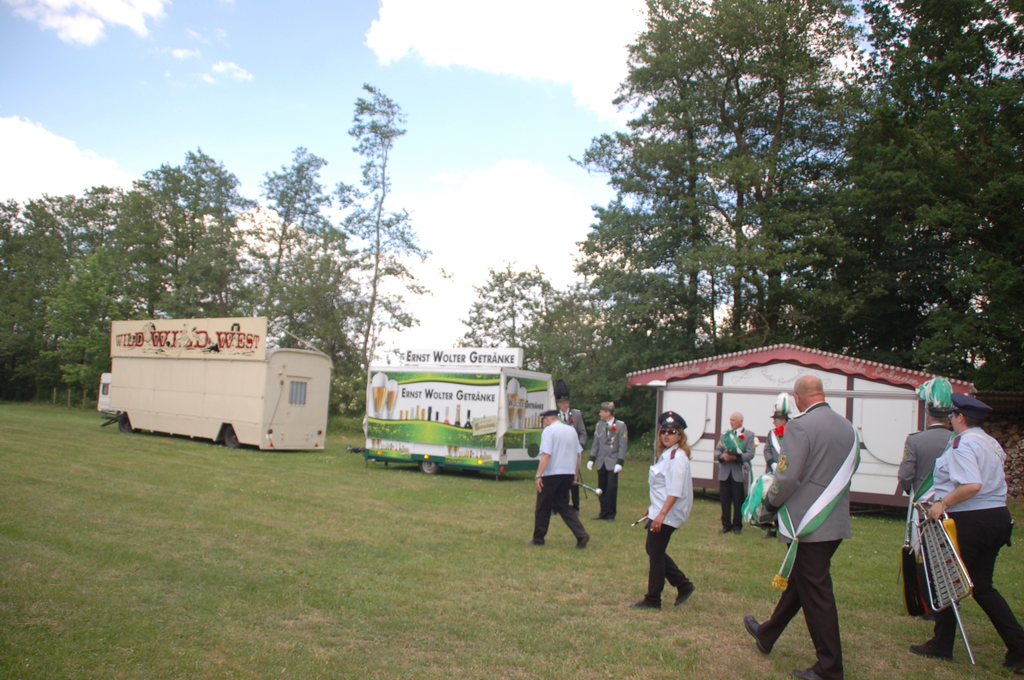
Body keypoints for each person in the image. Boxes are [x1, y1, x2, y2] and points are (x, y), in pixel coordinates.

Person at [744, 375, 859, 680]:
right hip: (833, 518)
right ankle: (767, 634)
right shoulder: (846, 426)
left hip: (807, 524)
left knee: (817, 594)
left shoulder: (800, 426)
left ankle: (829, 668)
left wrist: (768, 505)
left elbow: (787, 477)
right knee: (802, 582)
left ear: (797, 398)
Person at [909, 393, 1024, 672]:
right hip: (996, 516)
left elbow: (972, 484)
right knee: (982, 586)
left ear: (960, 417)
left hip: (972, 519)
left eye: (953, 415)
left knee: (947, 579)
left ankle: (942, 644)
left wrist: (943, 504)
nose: (951, 419)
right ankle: (1019, 648)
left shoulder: (963, 443)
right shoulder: (989, 441)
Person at [630, 411, 696, 610]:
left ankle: (653, 599)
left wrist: (661, 514)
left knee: (656, 554)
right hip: (662, 510)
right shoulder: (668, 455)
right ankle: (683, 585)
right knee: (654, 550)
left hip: (669, 513)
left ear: (680, 436)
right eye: (664, 431)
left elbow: (675, 490)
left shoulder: (677, 458)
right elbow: (662, 486)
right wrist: (653, 508)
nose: (666, 435)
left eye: (672, 431)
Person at [524, 409, 589, 549]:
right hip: (568, 472)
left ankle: (538, 538)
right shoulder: (571, 430)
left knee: (543, 506)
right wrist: (575, 473)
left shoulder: (548, 431)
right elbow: (578, 454)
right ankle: (581, 534)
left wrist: (539, 474)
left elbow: (546, 454)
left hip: (552, 473)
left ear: (548, 419)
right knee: (563, 505)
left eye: (543, 419)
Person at [715, 411, 755, 534]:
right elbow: (718, 449)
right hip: (725, 471)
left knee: (738, 500)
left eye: (733, 420)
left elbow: (750, 453)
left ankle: (737, 526)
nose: (730, 422)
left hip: (739, 472)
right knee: (725, 500)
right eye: (730, 420)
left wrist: (736, 458)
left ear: (740, 421)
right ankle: (726, 525)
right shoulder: (725, 435)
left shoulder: (749, 435)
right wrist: (721, 456)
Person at [761, 394, 793, 539]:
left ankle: (783, 527)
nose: (773, 422)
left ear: (783, 421)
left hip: (786, 472)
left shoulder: (792, 433)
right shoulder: (771, 434)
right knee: (770, 498)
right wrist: (772, 464)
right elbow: (767, 450)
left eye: (776, 419)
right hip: (772, 471)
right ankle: (770, 529)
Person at [588, 401, 627, 521]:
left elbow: (623, 445)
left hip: (613, 461)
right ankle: (603, 512)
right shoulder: (600, 425)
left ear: (607, 412)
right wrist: (592, 459)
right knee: (601, 488)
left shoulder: (620, 426)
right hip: (602, 461)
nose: (600, 414)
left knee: (611, 488)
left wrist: (620, 462)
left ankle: (611, 514)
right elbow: (596, 443)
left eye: (601, 412)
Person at [554, 380, 587, 512]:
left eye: (567, 402)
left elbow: (582, 433)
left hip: (573, 453)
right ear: (558, 404)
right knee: (558, 479)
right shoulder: (555, 416)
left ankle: (575, 506)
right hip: (559, 453)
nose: (565, 405)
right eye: (563, 403)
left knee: (574, 479)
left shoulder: (576, 415)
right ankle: (557, 504)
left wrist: (580, 446)